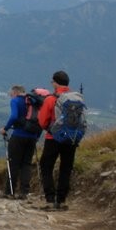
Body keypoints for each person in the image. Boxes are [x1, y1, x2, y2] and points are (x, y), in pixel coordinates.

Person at [38, 70, 76, 210]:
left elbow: (42, 121)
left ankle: (50, 199)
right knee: (66, 168)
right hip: (71, 138)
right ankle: (61, 200)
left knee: (46, 166)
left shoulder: (51, 99)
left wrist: (49, 128)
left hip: (53, 137)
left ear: (55, 82)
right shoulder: (75, 98)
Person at [0, 85, 41, 199]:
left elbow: (13, 116)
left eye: (11, 94)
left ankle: (9, 191)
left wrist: (5, 128)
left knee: (13, 163)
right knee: (26, 164)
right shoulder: (33, 102)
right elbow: (41, 120)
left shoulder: (15, 101)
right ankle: (24, 192)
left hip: (18, 136)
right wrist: (37, 136)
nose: (10, 96)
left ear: (15, 92)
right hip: (32, 137)